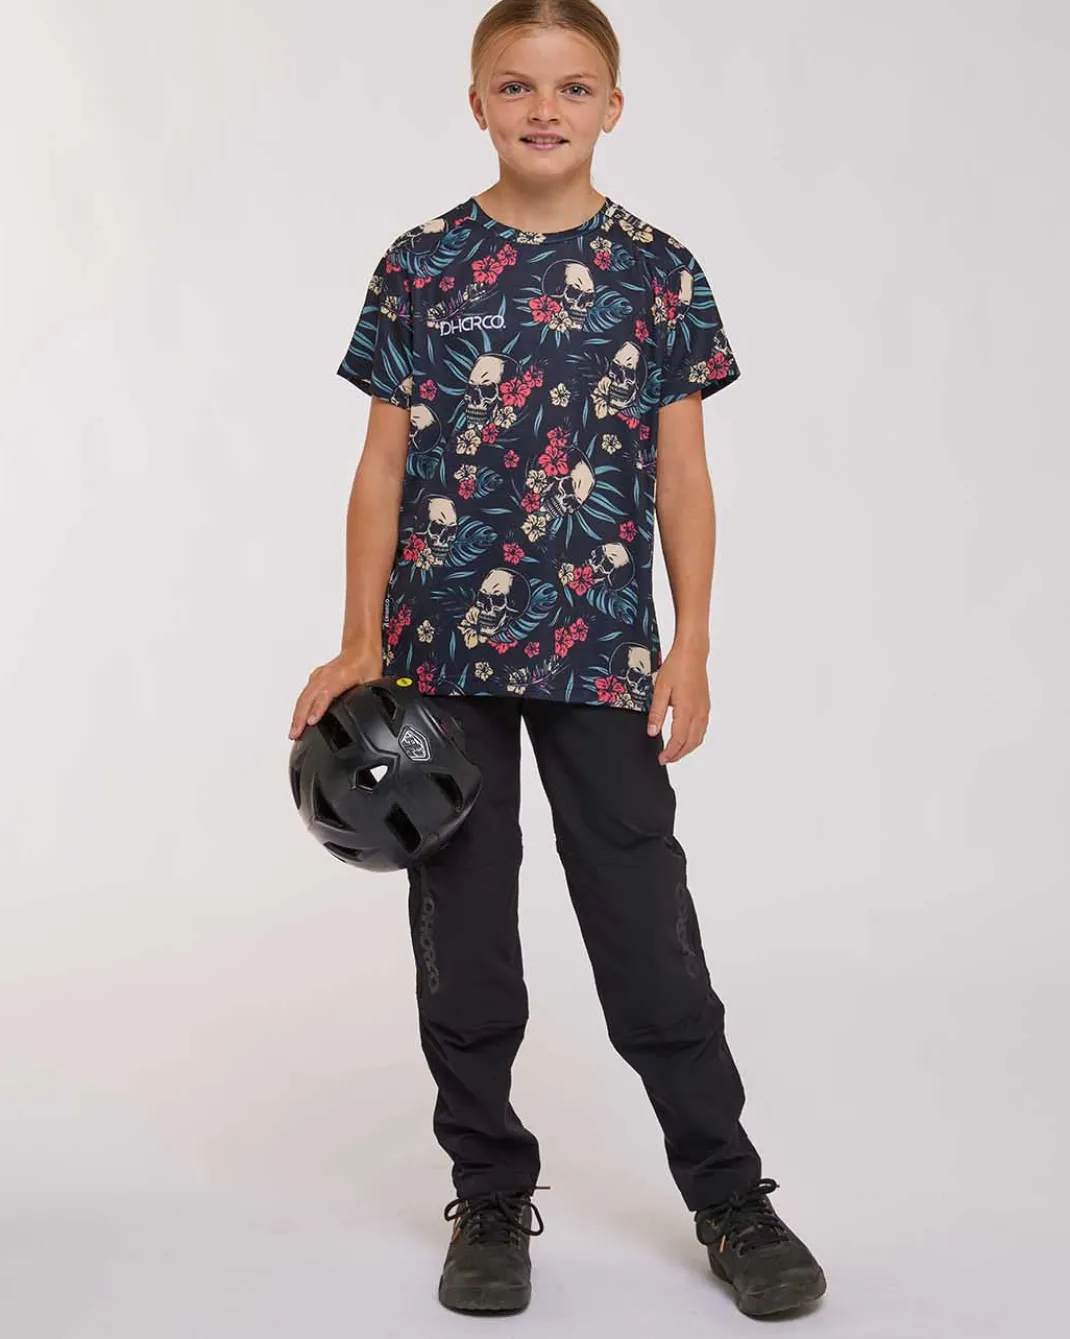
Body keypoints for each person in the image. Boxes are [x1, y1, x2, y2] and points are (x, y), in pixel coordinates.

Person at [289, 0, 826, 1320]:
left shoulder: (658, 272)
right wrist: (359, 640)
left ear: (613, 107)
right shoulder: (421, 266)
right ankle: (486, 1191)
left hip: (601, 653)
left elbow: (684, 479)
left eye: (573, 87)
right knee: (466, 937)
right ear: (475, 102)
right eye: (517, 85)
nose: (545, 108)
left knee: (645, 926)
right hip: (442, 657)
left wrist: (692, 643)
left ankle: (730, 1195)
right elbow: (380, 469)